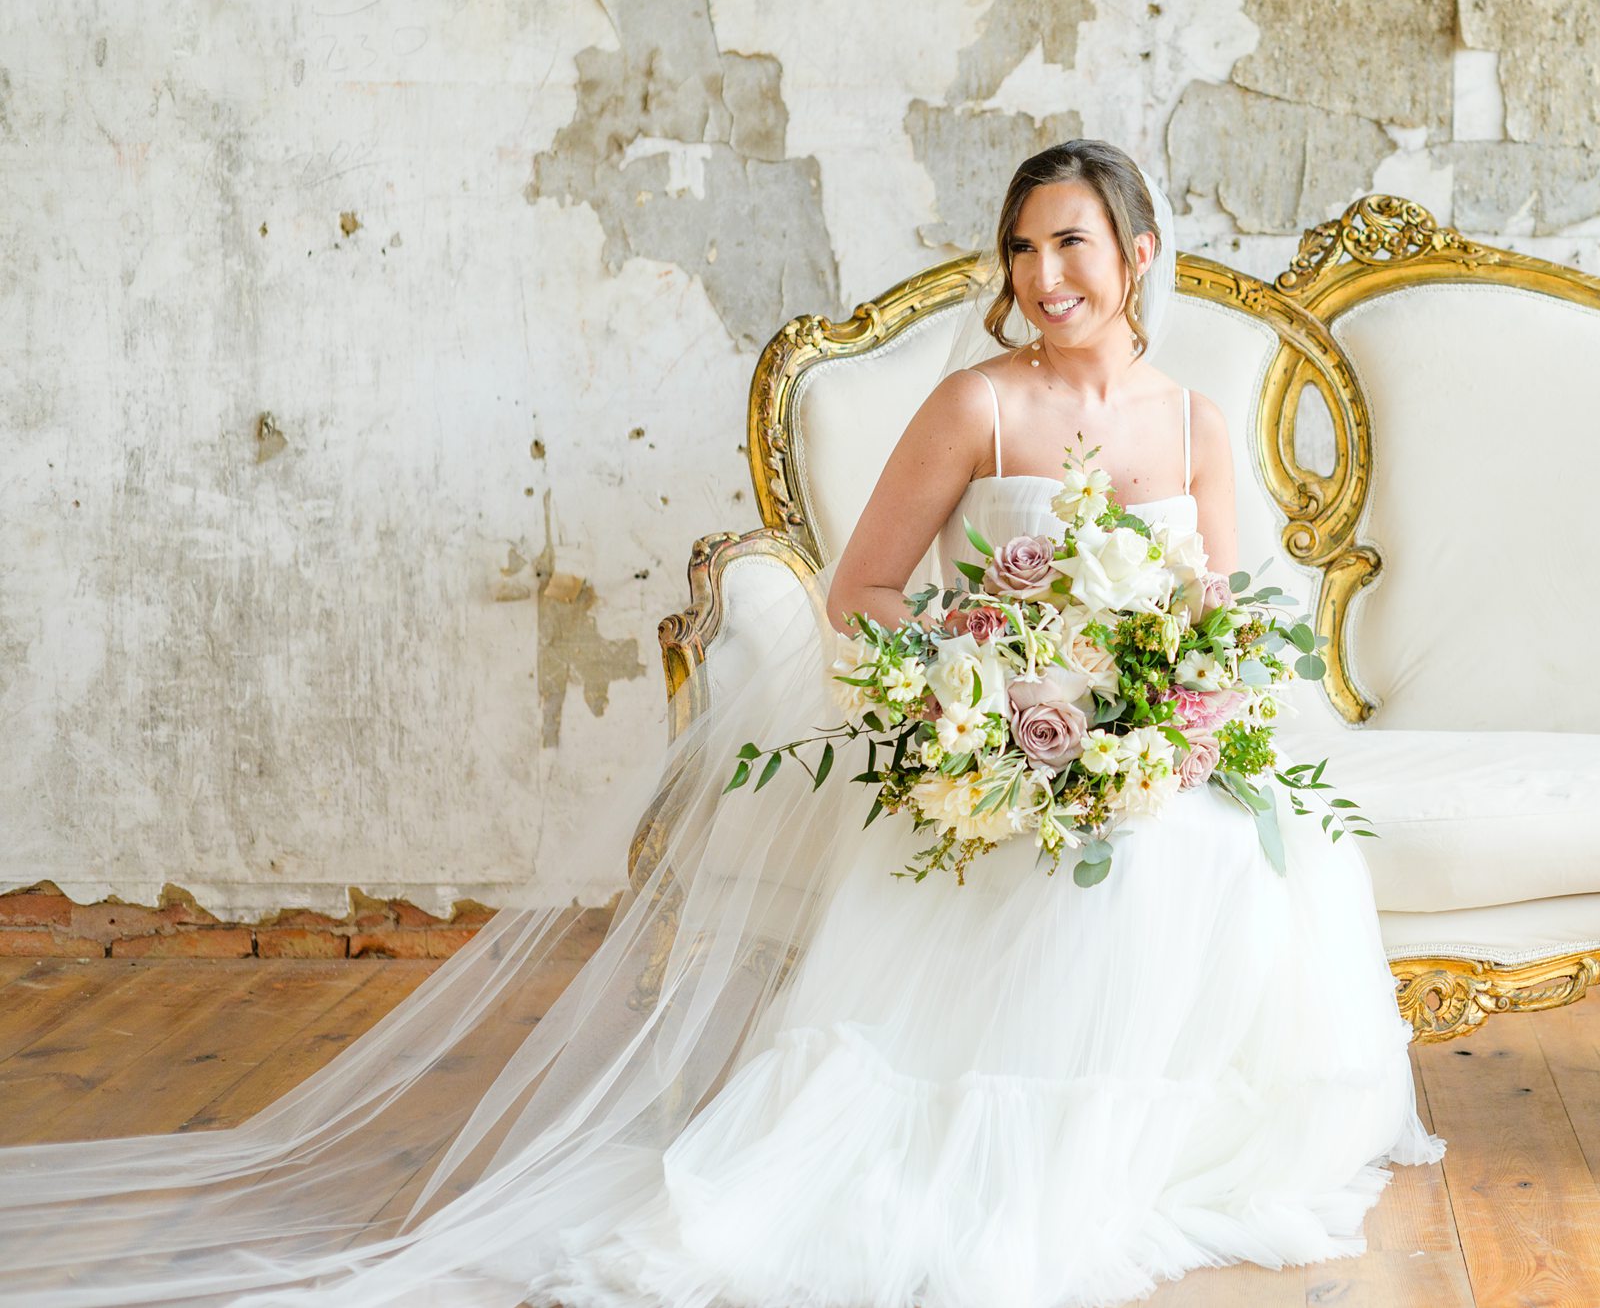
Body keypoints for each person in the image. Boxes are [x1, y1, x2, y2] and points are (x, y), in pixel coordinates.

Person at [0, 139, 1442, 1308]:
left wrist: (1171, 714)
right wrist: (993, 697)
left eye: (1073, 243)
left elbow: (1232, 612)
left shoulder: (1193, 422)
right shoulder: (975, 404)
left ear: (1136, 255)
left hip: (1132, 743)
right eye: (1023, 246)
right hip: (1001, 744)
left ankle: (1140, 1139)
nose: (1045, 273)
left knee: (1233, 850)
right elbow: (864, 590)